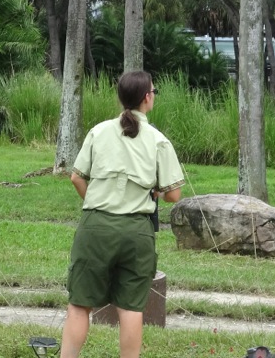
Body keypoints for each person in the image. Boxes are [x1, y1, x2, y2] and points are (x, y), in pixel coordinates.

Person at [60, 71, 185, 357]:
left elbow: (77, 178)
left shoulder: (98, 131)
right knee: (130, 309)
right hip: (136, 231)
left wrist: (96, 201)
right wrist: (155, 193)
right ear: (147, 98)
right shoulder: (158, 139)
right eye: (155, 91)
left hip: (95, 226)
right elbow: (174, 194)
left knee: (80, 305)